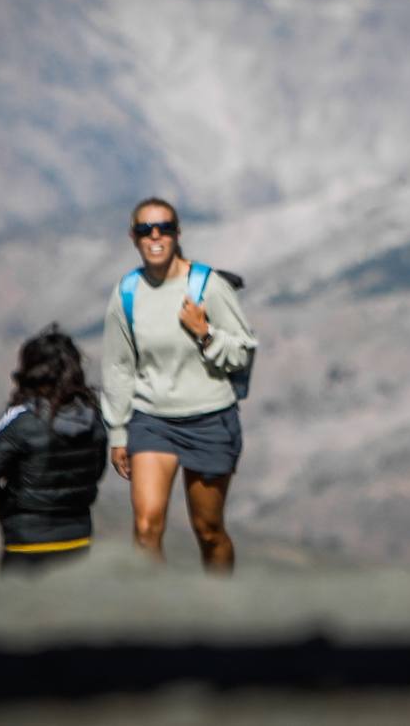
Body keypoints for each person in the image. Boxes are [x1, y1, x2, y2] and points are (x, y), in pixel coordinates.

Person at [101, 196, 257, 573]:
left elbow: (242, 353)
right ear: (133, 237)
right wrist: (118, 431)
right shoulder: (127, 293)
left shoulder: (207, 285)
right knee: (146, 527)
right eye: (145, 230)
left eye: (164, 228)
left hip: (210, 419)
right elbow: (119, 366)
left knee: (208, 530)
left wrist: (205, 334)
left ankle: (220, 611)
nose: (155, 236)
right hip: (151, 420)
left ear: (177, 234)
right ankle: (157, 617)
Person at [0, 325, 108, 575]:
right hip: (78, 543)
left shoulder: (23, 422)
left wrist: (5, 506)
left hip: (27, 546)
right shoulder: (94, 419)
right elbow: (96, 472)